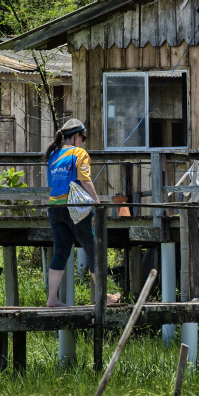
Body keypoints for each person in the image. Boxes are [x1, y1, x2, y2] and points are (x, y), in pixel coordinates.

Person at [44, 119, 120, 307]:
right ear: (77, 137)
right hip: (74, 208)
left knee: (61, 251)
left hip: (55, 208)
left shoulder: (53, 155)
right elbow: (85, 180)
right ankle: (105, 297)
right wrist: (97, 203)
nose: (82, 141)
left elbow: (52, 184)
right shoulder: (79, 153)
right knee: (93, 249)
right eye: (82, 138)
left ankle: (52, 299)